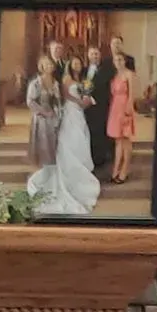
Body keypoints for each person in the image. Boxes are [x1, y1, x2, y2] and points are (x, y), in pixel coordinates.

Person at [24, 63, 102, 220]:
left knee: (81, 139)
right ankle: (63, 174)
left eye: (79, 63)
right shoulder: (64, 79)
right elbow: (65, 96)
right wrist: (77, 102)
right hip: (69, 111)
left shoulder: (80, 80)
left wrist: (86, 99)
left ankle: (80, 168)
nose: (77, 66)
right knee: (68, 142)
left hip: (77, 114)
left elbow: (60, 99)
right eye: (74, 63)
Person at [108, 39, 137, 185]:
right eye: (116, 60)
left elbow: (132, 94)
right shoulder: (115, 75)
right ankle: (115, 170)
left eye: (120, 59)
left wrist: (129, 108)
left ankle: (124, 171)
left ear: (124, 61)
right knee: (118, 140)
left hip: (125, 106)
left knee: (126, 140)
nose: (118, 62)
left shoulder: (129, 74)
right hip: (115, 107)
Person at [84, 41, 116, 173]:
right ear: (88, 55)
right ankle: (88, 157)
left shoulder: (107, 69)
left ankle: (100, 160)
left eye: (96, 54)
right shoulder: (84, 70)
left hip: (102, 106)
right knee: (88, 132)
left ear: (100, 55)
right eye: (92, 54)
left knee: (100, 133)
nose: (94, 56)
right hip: (86, 107)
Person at [24, 55, 60, 169]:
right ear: (42, 66)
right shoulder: (35, 83)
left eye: (51, 64)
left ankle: (50, 169)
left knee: (53, 144)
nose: (49, 66)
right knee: (42, 144)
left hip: (53, 117)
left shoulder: (55, 83)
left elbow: (58, 100)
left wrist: (57, 112)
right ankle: (40, 169)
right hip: (40, 118)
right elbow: (30, 101)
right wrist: (44, 112)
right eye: (47, 64)